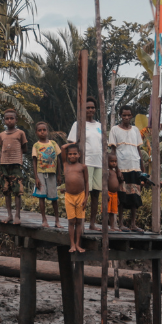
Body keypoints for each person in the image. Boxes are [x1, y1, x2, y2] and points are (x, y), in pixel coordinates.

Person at [66, 97, 105, 230]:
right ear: (83, 109)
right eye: (87, 107)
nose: (90, 109)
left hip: (98, 163)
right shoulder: (78, 124)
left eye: (92, 107)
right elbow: (72, 144)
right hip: (85, 163)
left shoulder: (100, 125)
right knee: (83, 194)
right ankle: (80, 223)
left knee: (95, 194)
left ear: (95, 109)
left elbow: (103, 145)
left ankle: (92, 223)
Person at [109, 105, 146, 231]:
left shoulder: (135, 130)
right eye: (123, 115)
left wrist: (143, 168)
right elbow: (113, 151)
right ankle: (120, 223)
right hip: (122, 167)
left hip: (135, 167)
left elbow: (138, 149)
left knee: (134, 195)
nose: (126, 117)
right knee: (122, 195)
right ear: (120, 115)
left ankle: (133, 224)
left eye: (128, 115)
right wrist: (117, 169)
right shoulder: (115, 130)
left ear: (131, 116)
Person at [0, 108, 28, 224]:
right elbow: (1, 150)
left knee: (17, 191)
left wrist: (17, 156)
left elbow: (24, 148)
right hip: (4, 165)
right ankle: (9, 215)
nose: (9, 121)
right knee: (6, 190)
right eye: (7, 119)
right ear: (4, 120)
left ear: (16, 120)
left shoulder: (20, 133)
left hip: (16, 165)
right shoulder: (1, 135)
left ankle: (17, 216)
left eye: (11, 118)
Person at [31, 121, 61, 228]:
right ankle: (44, 219)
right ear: (36, 132)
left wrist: (59, 174)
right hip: (40, 173)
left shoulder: (53, 143)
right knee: (41, 196)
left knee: (54, 197)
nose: (42, 132)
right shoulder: (36, 145)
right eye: (40, 130)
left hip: (52, 173)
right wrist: (36, 178)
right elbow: (34, 162)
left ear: (47, 131)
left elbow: (58, 159)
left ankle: (57, 220)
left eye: (44, 130)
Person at [62, 144, 88, 253]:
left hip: (81, 196)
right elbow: (63, 148)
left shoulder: (83, 167)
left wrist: (86, 197)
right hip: (69, 196)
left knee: (79, 221)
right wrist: (73, 143)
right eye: (70, 154)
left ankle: (78, 244)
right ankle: (72, 244)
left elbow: (86, 182)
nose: (72, 156)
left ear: (79, 154)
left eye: (75, 154)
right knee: (71, 221)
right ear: (67, 155)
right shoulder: (65, 165)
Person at [106, 152, 122, 231]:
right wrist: (105, 193)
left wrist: (118, 197)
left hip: (115, 194)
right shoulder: (107, 172)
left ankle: (112, 226)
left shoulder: (115, 172)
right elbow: (104, 183)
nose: (114, 163)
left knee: (113, 211)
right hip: (108, 193)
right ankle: (105, 226)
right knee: (107, 211)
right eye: (112, 161)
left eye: (115, 161)